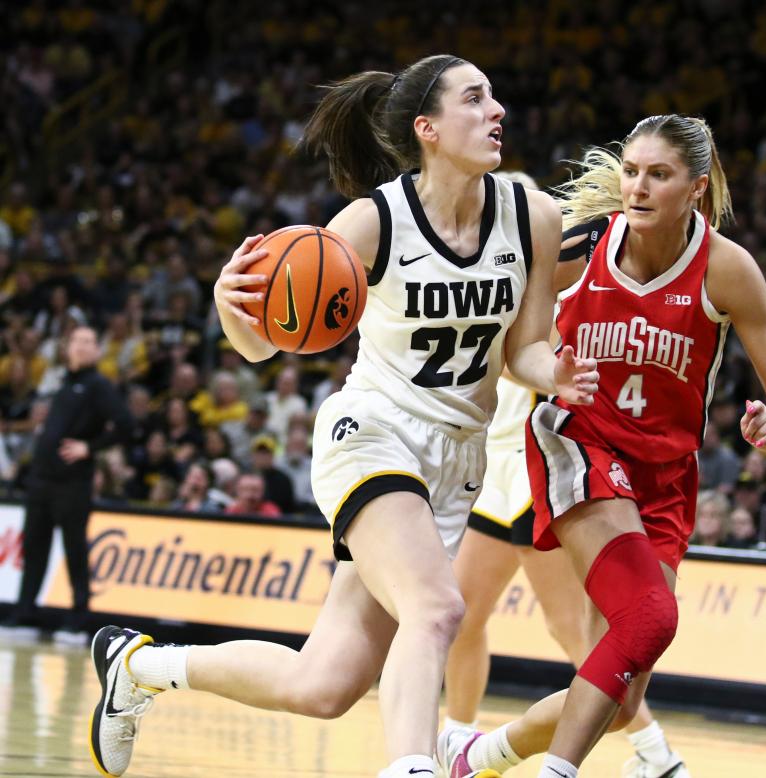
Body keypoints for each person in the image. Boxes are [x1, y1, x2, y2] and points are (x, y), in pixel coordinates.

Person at [86, 53, 597, 778]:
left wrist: (558, 375)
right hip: (374, 435)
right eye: (476, 99)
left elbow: (526, 349)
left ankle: (139, 666)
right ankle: (413, 768)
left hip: (456, 465)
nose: (497, 111)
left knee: (323, 685)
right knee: (439, 609)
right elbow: (264, 346)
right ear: (427, 128)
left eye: (494, 98)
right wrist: (233, 309)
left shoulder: (534, 216)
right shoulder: (373, 220)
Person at [438, 114, 766, 778]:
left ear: (695, 188)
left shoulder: (727, 270)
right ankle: (562, 771)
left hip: (664, 475)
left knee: (622, 682)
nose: (637, 186)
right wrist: (549, 372)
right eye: (631, 171)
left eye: (657, 175)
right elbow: (519, 349)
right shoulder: (581, 245)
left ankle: (480, 755)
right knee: (649, 616)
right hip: (575, 445)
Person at [443, 170, 689, 778]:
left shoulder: (565, 284)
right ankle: (457, 736)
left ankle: (654, 753)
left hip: (543, 469)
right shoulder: (500, 277)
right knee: (462, 614)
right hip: (493, 476)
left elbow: (533, 363)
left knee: (582, 640)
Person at [2, 325, 131, 636]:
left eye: (89, 341)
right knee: (34, 547)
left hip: (72, 483)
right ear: (68, 347)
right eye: (78, 341)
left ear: (97, 351)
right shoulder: (64, 382)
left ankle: (78, 617)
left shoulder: (98, 384)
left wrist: (90, 447)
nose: (83, 346)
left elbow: (126, 423)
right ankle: (25, 611)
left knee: (74, 548)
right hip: (42, 480)